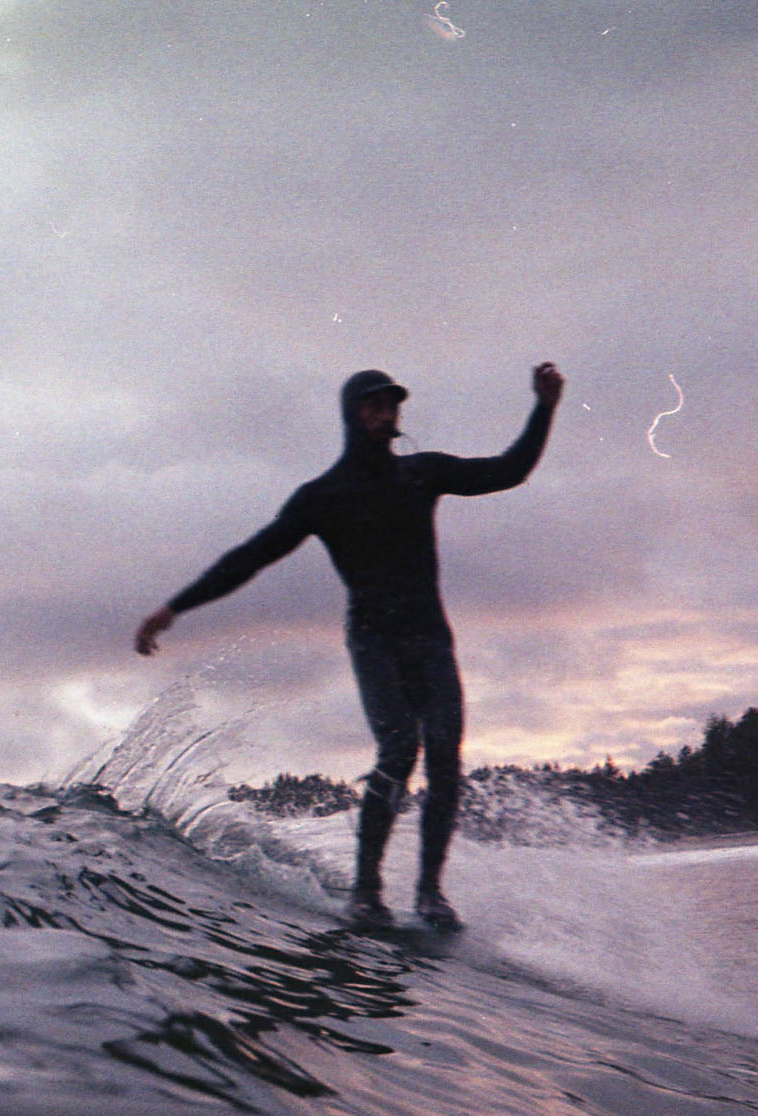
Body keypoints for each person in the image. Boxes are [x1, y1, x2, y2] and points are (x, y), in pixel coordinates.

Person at [136, 362, 565, 930]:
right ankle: (366, 891)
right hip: (373, 638)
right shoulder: (324, 497)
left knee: (444, 760)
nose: (387, 415)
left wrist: (544, 407)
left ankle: (430, 895)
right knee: (398, 748)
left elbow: (507, 471)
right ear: (352, 414)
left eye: (392, 405)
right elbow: (252, 556)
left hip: (430, 637)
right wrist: (175, 608)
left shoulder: (421, 473)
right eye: (374, 405)